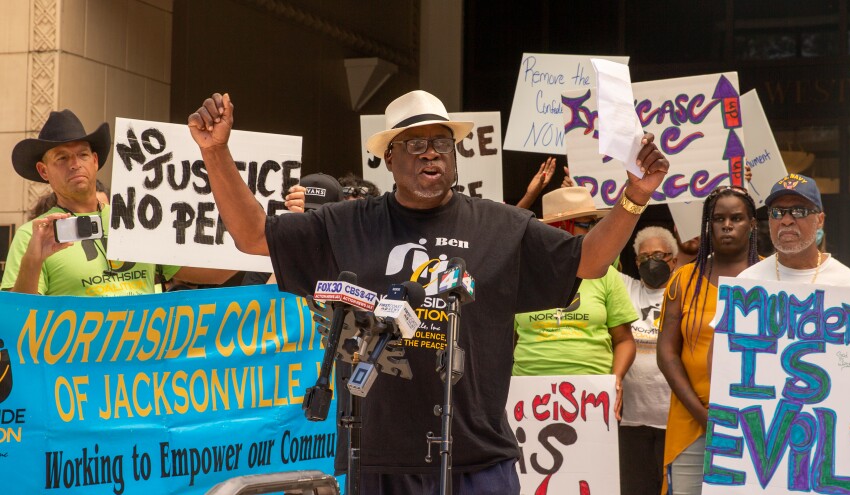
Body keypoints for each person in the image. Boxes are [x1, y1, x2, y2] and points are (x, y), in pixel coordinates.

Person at [187, 90, 669, 494]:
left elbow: (587, 259)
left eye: (440, 142)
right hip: (379, 458)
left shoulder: (501, 226)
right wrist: (215, 152)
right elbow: (253, 236)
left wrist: (636, 196)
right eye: (414, 143)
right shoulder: (346, 225)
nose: (430, 152)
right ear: (388, 158)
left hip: (477, 460)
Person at [736, 174, 850, 477]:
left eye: (798, 211)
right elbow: (722, 356)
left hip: (828, 450)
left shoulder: (849, 284)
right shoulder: (746, 285)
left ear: (820, 220)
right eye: (777, 212)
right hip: (760, 450)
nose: (786, 220)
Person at [2, 109, 232, 296]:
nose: (74, 164)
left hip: (141, 352)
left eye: (82, 155)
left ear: (94, 161)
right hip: (80, 354)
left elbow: (217, 273)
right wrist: (33, 259)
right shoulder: (33, 235)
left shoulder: (139, 222)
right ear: (44, 171)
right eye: (61, 158)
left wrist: (258, 237)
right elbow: (19, 319)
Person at [657, 185, 760, 495]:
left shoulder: (773, 279)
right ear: (708, 224)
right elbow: (666, 353)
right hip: (692, 422)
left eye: (737, 218)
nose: (727, 225)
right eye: (718, 218)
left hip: (757, 429)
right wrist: (705, 416)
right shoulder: (684, 278)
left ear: (752, 224)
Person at [513, 187, 637, 423]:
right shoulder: (521, 273)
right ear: (561, 228)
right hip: (527, 397)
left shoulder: (606, 275)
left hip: (592, 396)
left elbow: (624, 340)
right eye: (586, 224)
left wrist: (616, 380)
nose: (595, 231)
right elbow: (505, 338)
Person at [617, 225, 677, 495]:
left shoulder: (687, 291)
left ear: (673, 260)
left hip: (675, 421)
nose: (650, 262)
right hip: (631, 423)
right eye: (643, 257)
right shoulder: (624, 288)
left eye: (658, 255)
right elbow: (599, 254)